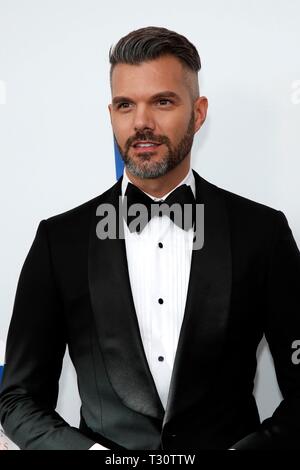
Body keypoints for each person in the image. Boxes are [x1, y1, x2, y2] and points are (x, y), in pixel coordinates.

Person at [0, 26, 300, 451]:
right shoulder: (58, 241)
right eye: (126, 105)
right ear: (111, 115)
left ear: (198, 113)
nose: (141, 122)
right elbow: (18, 398)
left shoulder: (262, 233)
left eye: (162, 101)